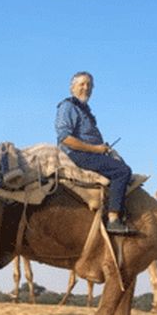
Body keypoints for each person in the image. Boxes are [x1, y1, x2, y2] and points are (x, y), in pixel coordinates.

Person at [55, 71, 136, 235]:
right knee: (122, 171)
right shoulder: (68, 107)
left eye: (89, 85)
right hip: (77, 154)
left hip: (91, 153)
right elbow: (65, 138)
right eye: (82, 84)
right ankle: (113, 219)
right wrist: (96, 149)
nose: (86, 88)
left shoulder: (84, 110)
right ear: (72, 87)